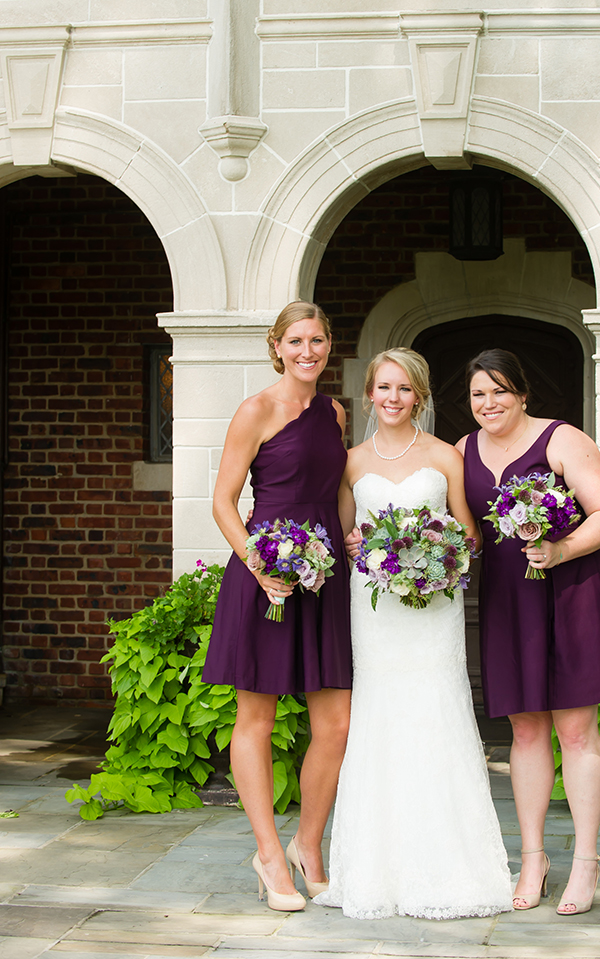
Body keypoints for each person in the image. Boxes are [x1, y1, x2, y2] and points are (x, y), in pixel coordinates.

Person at [316, 348, 513, 920]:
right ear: (370, 395)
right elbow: (346, 535)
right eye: (384, 388)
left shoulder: (446, 456)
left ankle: (452, 868)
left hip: (434, 609)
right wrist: (356, 546)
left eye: (405, 389)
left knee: (435, 713)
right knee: (380, 718)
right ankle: (375, 870)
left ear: (419, 396)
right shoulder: (350, 461)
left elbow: (470, 535)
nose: (393, 398)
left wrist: (442, 551)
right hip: (375, 612)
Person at [457, 348, 600, 917]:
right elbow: (466, 530)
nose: (490, 403)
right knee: (524, 733)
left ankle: (585, 861)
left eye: (501, 391)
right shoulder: (462, 451)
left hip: (571, 591)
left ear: (523, 393)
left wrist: (560, 549)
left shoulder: (561, 440)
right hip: (509, 599)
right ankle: (533, 858)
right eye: (479, 394)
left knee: (576, 732)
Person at [203, 301, 352, 913]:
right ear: (277, 346)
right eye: (296, 340)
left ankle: (307, 846)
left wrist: (352, 542)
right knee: (256, 721)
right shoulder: (255, 410)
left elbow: (337, 489)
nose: (308, 351)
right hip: (264, 576)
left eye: (317, 340)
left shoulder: (335, 411)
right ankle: (268, 853)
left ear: (327, 345)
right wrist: (259, 566)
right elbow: (222, 500)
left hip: (325, 577)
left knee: (336, 723)